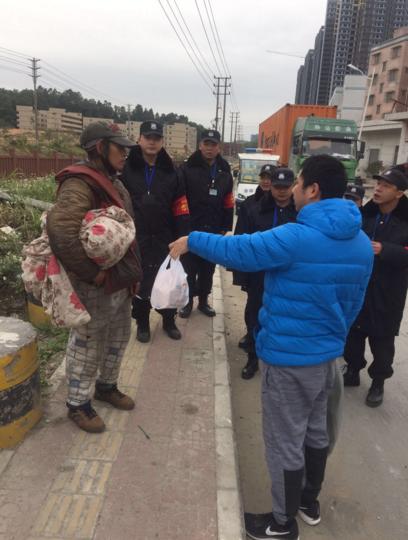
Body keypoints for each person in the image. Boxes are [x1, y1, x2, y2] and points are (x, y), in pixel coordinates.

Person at [169, 155, 373, 540]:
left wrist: (192, 239)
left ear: (313, 190)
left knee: (284, 441)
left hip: (289, 360)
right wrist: (329, 337)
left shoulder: (297, 237)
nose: (292, 189)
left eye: (298, 182)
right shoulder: (361, 243)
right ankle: (307, 503)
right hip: (326, 357)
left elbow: (240, 250)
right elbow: (354, 304)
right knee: (315, 432)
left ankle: (281, 523)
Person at [47, 122, 142, 433]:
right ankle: (78, 404)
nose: (125, 153)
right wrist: (94, 275)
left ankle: (106, 386)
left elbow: (127, 231)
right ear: (100, 148)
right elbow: (62, 233)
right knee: (88, 341)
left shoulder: (113, 181)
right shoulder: (80, 184)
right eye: (119, 147)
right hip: (96, 285)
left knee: (118, 336)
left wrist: (131, 274)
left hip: (119, 282)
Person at [343, 167, 408, 407]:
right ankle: (352, 369)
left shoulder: (405, 220)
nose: (378, 189)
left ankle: (378, 382)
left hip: (389, 291)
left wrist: (385, 250)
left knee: (382, 339)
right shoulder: (365, 215)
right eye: (378, 184)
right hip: (360, 286)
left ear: (399, 193)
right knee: (354, 333)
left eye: (386, 186)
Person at [122, 121, 190, 343]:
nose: (152, 142)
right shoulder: (126, 169)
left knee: (167, 280)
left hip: (165, 237)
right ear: (139, 139)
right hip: (136, 237)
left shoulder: (172, 172)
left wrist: (183, 236)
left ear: (162, 142)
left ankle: (169, 321)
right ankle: (142, 322)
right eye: (148, 137)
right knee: (140, 280)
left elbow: (180, 206)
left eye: (156, 138)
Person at [235, 166, 297, 380]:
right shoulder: (255, 209)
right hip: (259, 275)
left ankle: (280, 362)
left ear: (293, 187)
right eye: (277, 186)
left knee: (285, 320)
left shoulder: (301, 212)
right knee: (255, 316)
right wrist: (241, 276)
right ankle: (253, 358)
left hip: (289, 277)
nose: (281, 191)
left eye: (286, 187)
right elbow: (241, 242)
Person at [178, 129, 234, 318]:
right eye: (206, 144)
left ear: (219, 147)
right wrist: (182, 226)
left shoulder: (225, 171)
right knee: (188, 268)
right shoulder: (187, 169)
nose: (209, 148)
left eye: (213, 144)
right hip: (191, 228)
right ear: (200, 145)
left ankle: (203, 301)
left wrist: (225, 226)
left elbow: (228, 201)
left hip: (213, 229)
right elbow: (180, 198)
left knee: (207, 269)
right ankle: (187, 303)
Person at [234, 164, 278, 353]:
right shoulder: (250, 203)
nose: (266, 181)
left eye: (270, 178)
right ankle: (250, 336)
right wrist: (239, 269)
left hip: (278, 266)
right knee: (253, 303)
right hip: (255, 265)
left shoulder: (286, 204)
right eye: (263, 177)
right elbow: (240, 235)